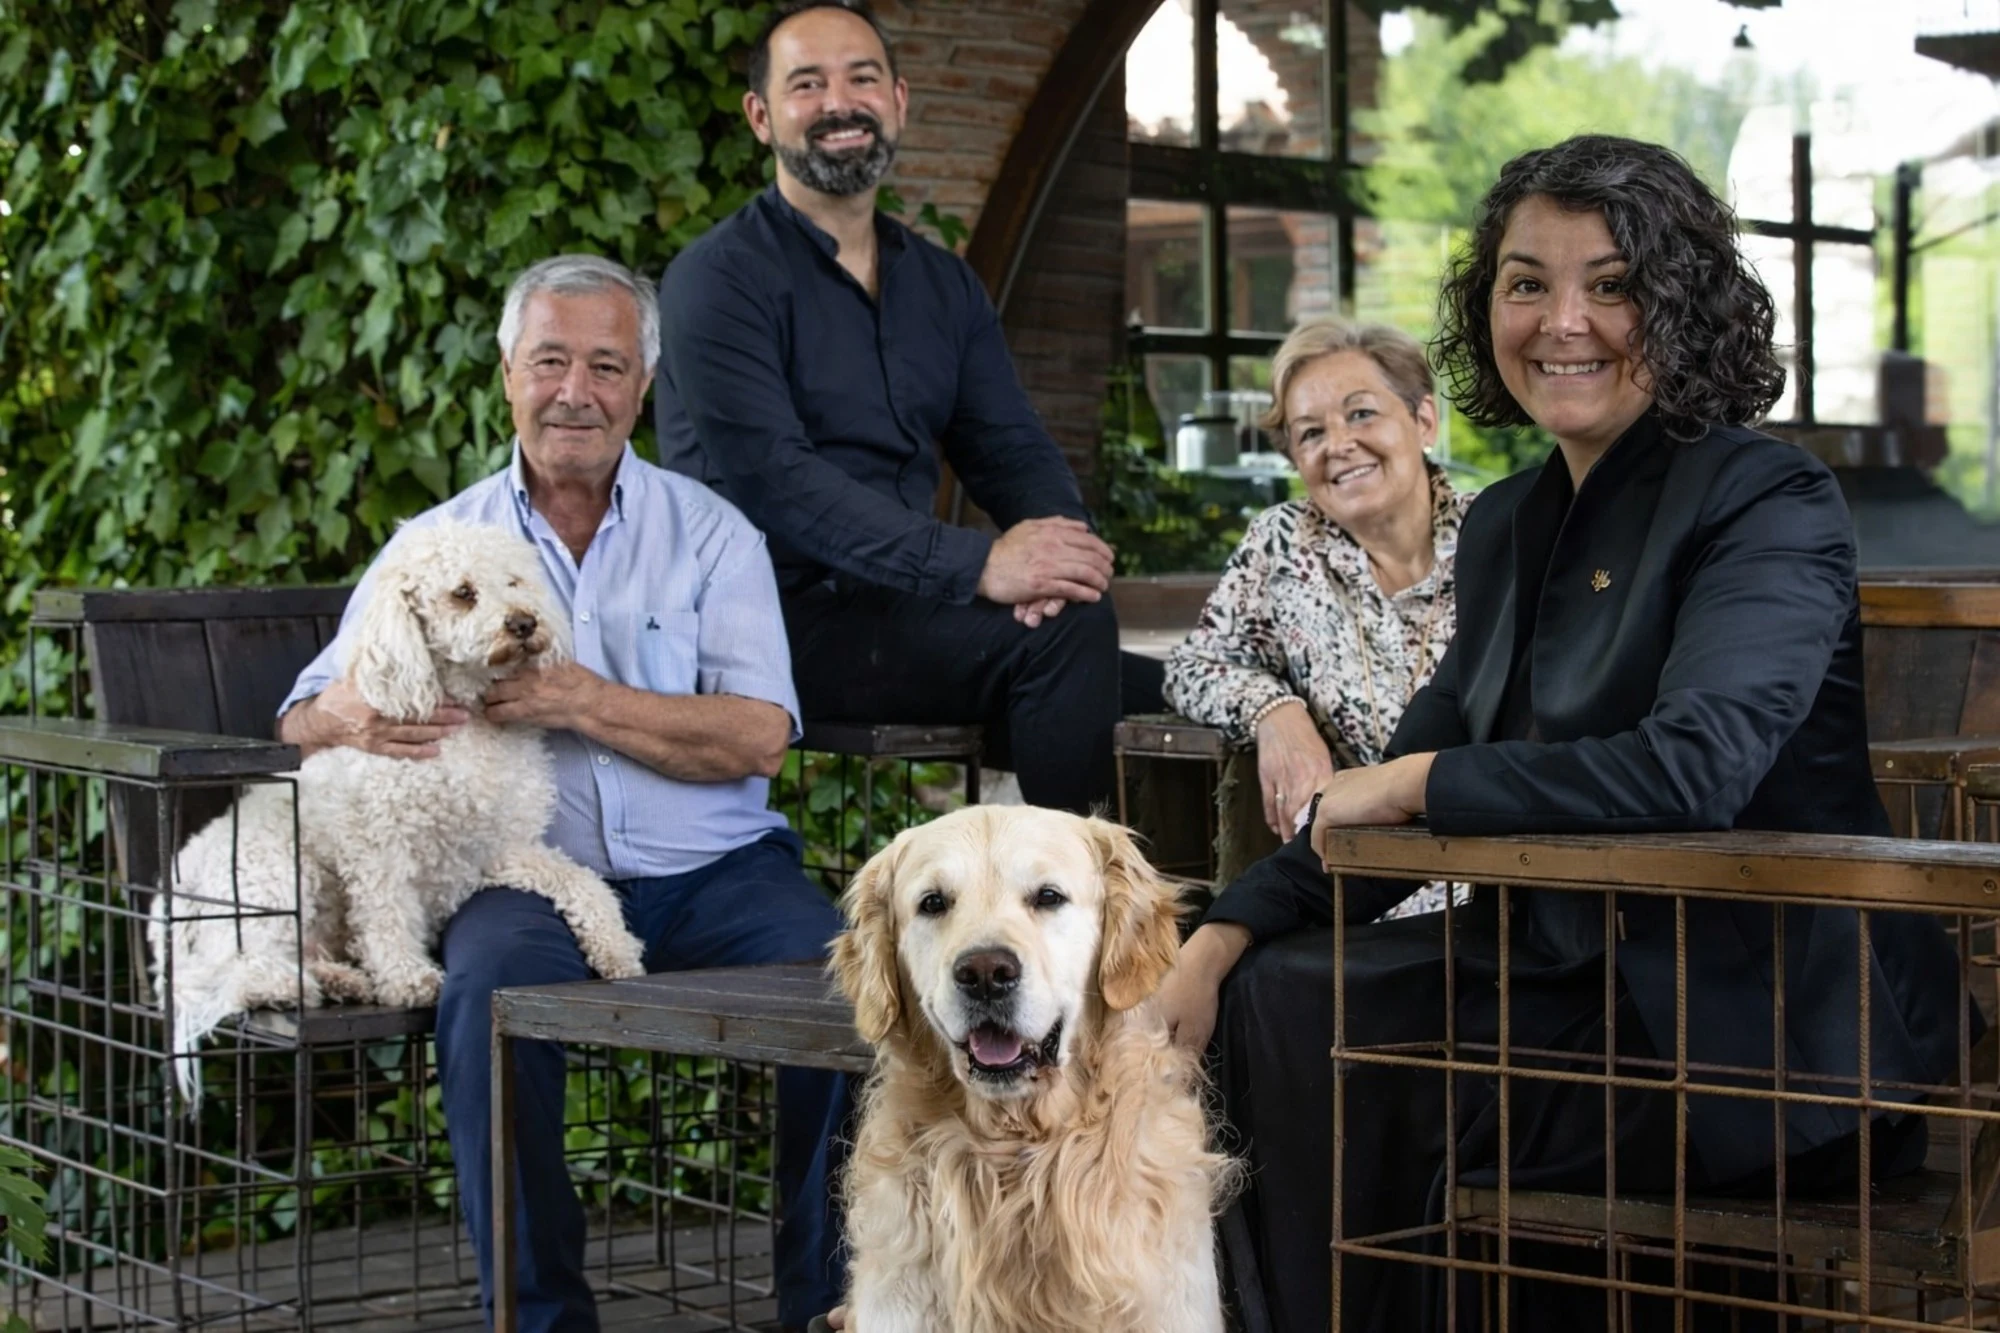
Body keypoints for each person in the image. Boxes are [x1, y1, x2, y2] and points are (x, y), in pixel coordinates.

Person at [1153, 135, 1971, 1332]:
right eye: (1525, 282)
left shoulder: (1765, 497)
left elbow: (1692, 770)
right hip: (1565, 979)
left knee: (1339, 1044)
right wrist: (1217, 937)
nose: (1561, 322)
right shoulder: (1508, 524)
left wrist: (1420, 781)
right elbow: (1388, 787)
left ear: (1679, 302)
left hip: (1758, 1029)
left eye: (1612, 283)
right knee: (1274, 991)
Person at [279, 255, 847, 1333]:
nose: (574, 391)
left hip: (716, 872)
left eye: (605, 365)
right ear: (507, 374)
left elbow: (759, 737)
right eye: (549, 361)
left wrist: (583, 699)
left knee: (849, 986)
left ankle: (825, 1308)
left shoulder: (711, 534)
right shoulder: (436, 545)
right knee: (486, 996)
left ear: (643, 386)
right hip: (521, 878)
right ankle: (539, 1319)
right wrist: (352, 716)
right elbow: (301, 712)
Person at [652, 0, 1161, 814]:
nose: (839, 103)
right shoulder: (717, 281)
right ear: (760, 116)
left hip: (908, 613)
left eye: (861, 79)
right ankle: (1067, 888)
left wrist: (1062, 557)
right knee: (1068, 641)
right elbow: (779, 484)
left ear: (898, 100)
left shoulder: (941, 283)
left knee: (1181, 690)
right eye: (806, 84)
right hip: (770, 625)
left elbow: (1010, 446)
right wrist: (980, 566)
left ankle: (1166, 889)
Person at [1163, 320, 1469, 913]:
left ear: (1424, 421)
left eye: (1361, 414)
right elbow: (1193, 666)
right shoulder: (1284, 545)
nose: (1338, 444)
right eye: (1310, 433)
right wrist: (1276, 713)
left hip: (1507, 883)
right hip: (1354, 896)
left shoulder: (1503, 534)